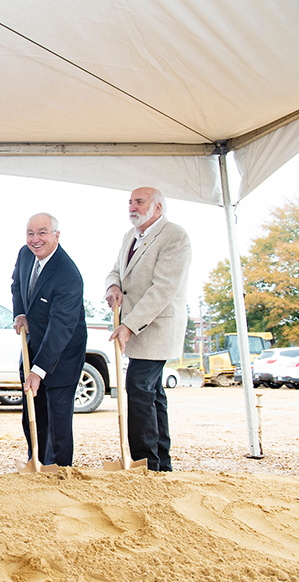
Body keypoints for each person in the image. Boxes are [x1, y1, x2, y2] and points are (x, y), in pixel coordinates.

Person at [105, 187, 191, 472]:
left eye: (139, 202)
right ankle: (159, 463)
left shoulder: (175, 237)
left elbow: (163, 289)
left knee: (138, 387)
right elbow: (116, 270)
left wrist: (128, 325)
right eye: (130, 202)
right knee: (153, 393)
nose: (132, 207)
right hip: (137, 328)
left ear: (157, 208)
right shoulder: (129, 236)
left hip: (157, 328)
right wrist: (112, 286)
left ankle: (145, 462)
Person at [10, 213, 86, 467]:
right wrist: (20, 312)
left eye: (42, 232)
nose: (35, 239)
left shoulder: (68, 274)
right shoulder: (25, 254)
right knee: (33, 413)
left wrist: (38, 370)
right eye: (30, 233)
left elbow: (61, 327)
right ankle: (37, 464)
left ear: (56, 235)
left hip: (62, 353)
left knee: (57, 419)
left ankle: (59, 472)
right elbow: (16, 284)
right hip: (32, 345)